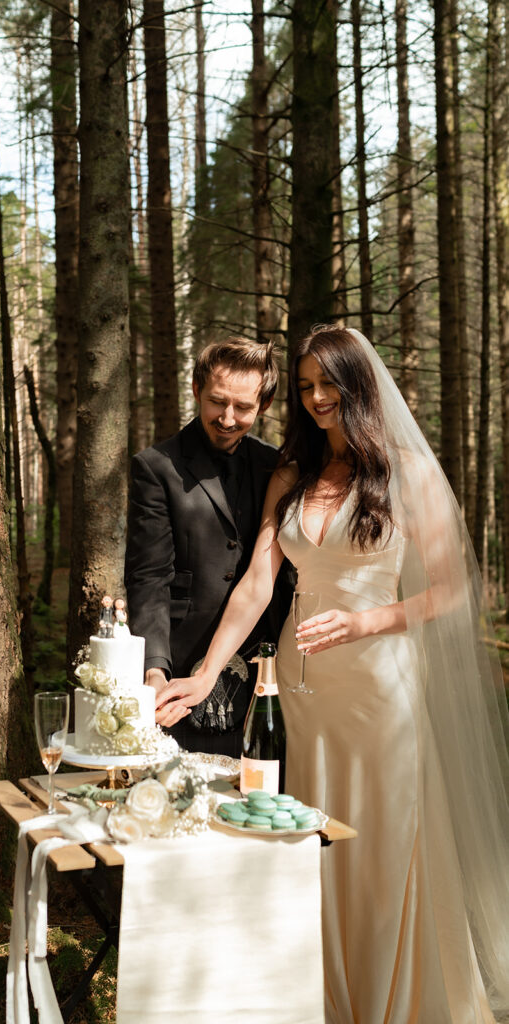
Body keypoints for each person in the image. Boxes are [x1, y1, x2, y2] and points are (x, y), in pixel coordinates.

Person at [156, 325, 509, 1023]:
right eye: (307, 385)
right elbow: (258, 581)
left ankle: (395, 999)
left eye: (329, 383)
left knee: (382, 839)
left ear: (360, 384)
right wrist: (201, 675)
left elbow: (454, 592)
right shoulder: (293, 473)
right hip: (303, 691)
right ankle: (324, 999)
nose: (317, 398)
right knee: (310, 839)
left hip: (381, 686)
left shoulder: (407, 471)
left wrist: (365, 622)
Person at [125, 336, 294, 757]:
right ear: (196, 390)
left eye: (244, 407)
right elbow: (149, 579)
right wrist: (154, 670)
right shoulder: (156, 468)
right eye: (218, 401)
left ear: (265, 405)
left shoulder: (279, 467)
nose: (228, 418)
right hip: (185, 665)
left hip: (271, 669)